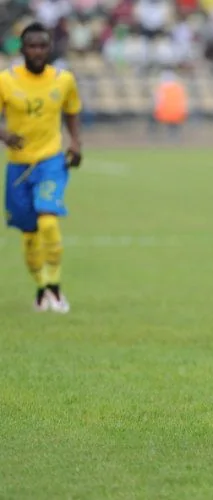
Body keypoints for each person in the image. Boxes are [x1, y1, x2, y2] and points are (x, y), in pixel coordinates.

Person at [0, 22, 83, 313]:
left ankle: (56, 287)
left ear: (50, 48)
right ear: (22, 49)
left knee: (48, 220)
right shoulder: (6, 80)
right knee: (29, 234)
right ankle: (40, 287)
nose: (37, 51)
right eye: (32, 46)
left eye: (42, 46)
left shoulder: (63, 80)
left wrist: (75, 143)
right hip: (18, 167)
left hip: (50, 160)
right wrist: (4, 133)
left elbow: (72, 111)